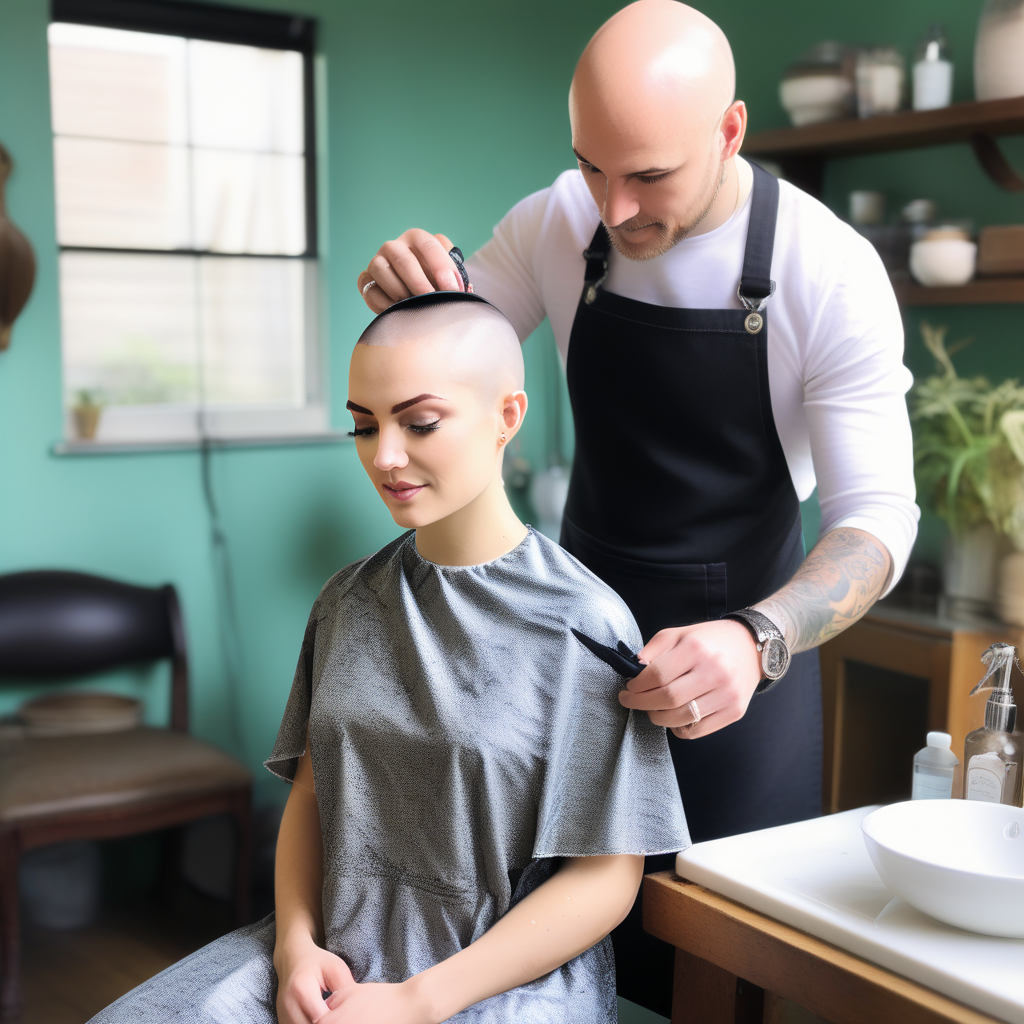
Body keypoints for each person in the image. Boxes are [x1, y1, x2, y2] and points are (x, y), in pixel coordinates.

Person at [356, 0, 919, 1013]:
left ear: (730, 131)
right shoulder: (552, 224)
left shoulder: (825, 272)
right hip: (572, 659)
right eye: (590, 166)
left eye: (648, 175)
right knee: (547, 958)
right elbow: (449, 357)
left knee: (723, 963)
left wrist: (758, 639)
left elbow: (878, 522)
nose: (611, 208)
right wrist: (409, 295)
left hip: (744, 672)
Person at [87, 292, 689, 1024]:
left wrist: (417, 1001)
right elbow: (312, 798)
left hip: (499, 976)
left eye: (420, 422)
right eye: (363, 426)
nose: (385, 456)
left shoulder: (585, 625)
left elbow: (606, 875)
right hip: (333, 954)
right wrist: (296, 951)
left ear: (507, 416)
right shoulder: (347, 600)